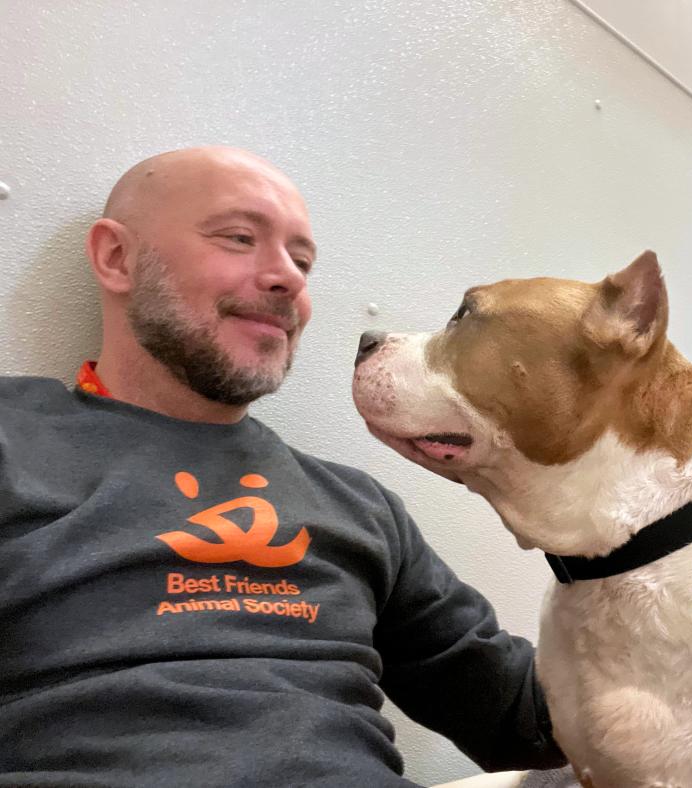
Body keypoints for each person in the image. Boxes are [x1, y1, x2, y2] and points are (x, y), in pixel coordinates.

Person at [0, 147, 566, 786]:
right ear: (116, 257)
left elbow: (530, 717)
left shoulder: (357, 507)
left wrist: (620, 533)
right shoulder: (13, 439)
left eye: (302, 262)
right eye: (240, 239)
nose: (289, 280)